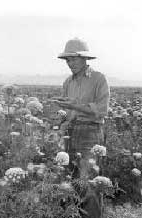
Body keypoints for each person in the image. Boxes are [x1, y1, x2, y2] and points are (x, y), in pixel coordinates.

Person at [53, 37, 110, 179]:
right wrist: (60, 126)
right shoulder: (68, 82)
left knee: (88, 180)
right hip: (70, 131)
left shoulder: (99, 79)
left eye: (74, 59)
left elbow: (102, 110)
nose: (70, 64)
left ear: (85, 58)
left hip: (90, 132)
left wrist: (74, 105)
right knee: (71, 177)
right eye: (68, 60)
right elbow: (67, 113)